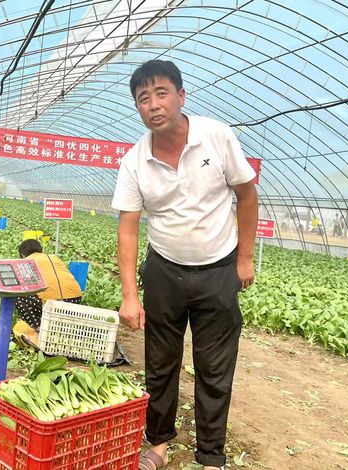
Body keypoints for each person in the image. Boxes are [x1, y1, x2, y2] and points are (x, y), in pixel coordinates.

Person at [111, 60, 258, 470]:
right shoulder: (134, 161)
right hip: (164, 272)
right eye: (144, 98)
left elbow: (247, 194)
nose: (153, 104)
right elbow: (128, 228)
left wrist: (244, 258)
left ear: (180, 95)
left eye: (161, 93)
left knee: (214, 370)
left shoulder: (217, 136)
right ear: (137, 108)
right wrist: (129, 296)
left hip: (218, 270)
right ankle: (157, 445)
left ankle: (211, 458)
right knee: (160, 363)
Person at [14, 239, 82, 329]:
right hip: (75, 300)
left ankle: (38, 327)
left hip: (52, 304)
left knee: (16, 296)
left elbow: (20, 284)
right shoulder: (54, 257)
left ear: (22, 254)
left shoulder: (25, 261)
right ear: (40, 250)